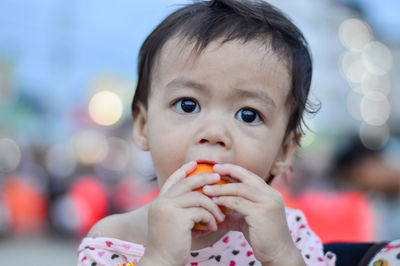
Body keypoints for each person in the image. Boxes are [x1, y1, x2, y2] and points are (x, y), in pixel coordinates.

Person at [77, 0, 336, 265]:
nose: (214, 133)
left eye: (249, 115)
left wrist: (281, 256)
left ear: (285, 150)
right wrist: (161, 257)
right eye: (188, 105)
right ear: (143, 126)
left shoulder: (288, 237)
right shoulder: (116, 238)